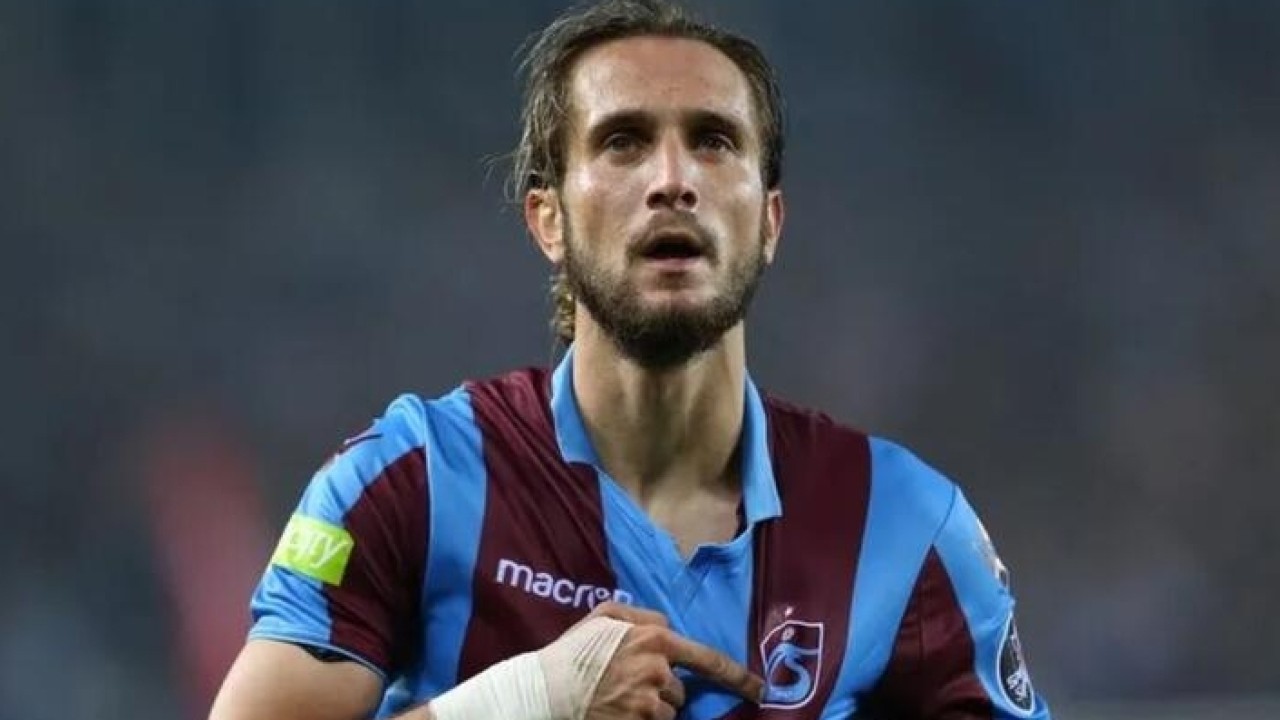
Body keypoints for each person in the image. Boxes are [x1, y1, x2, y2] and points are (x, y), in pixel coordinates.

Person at [209, 0, 1052, 718]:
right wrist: (527, 701)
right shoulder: (412, 480)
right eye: (623, 141)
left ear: (769, 222)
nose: (673, 179)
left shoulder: (904, 525)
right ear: (548, 221)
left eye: (714, 141)